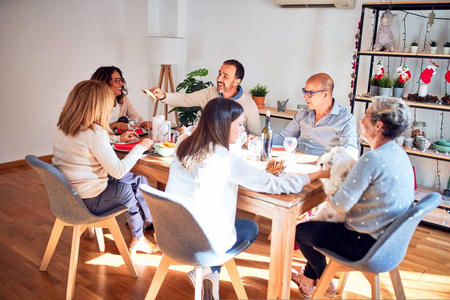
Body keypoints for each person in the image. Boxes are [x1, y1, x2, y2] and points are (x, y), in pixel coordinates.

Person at [165, 97, 328, 300]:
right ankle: (210, 270)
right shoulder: (225, 160)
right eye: (240, 124)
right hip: (201, 244)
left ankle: (209, 272)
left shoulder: (183, 143)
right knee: (251, 228)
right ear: (224, 125)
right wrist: (317, 174)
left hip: (170, 234)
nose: (243, 130)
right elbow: (276, 185)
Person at [291, 97, 413, 298]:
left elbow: (339, 204)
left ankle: (324, 281)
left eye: (365, 117)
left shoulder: (372, 159)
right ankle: (308, 279)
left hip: (366, 244)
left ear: (378, 126)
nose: (361, 121)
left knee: (302, 231)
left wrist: (323, 174)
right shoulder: (399, 154)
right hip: (391, 242)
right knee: (319, 226)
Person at [52, 80, 158, 254]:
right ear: (98, 106)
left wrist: (117, 139)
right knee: (125, 185)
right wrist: (141, 147)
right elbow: (118, 170)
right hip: (89, 202)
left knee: (135, 177)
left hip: (68, 197)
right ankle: (139, 238)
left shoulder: (64, 127)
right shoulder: (95, 132)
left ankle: (147, 220)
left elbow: (87, 145)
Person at [150, 59, 261, 135]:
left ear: (237, 82)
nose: (219, 79)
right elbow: (186, 100)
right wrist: (163, 95)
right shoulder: (210, 93)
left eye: (225, 76)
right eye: (219, 73)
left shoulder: (249, 104)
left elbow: (256, 136)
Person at [272, 73, 358, 158]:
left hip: (324, 168)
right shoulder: (303, 114)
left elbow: (350, 154)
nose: (305, 97)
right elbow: (282, 138)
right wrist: (260, 140)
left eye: (310, 93)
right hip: (298, 164)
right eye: (305, 92)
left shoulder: (345, 119)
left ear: (325, 94)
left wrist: (324, 161)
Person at [91, 66, 152, 142]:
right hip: (103, 142)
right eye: (117, 80)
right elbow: (93, 132)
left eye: (121, 80)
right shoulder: (93, 103)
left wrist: (144, 123)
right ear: (104, 82)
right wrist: (113, 126)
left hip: (118, 141)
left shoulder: (123, 99)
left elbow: (136, 118)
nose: (122, 84)